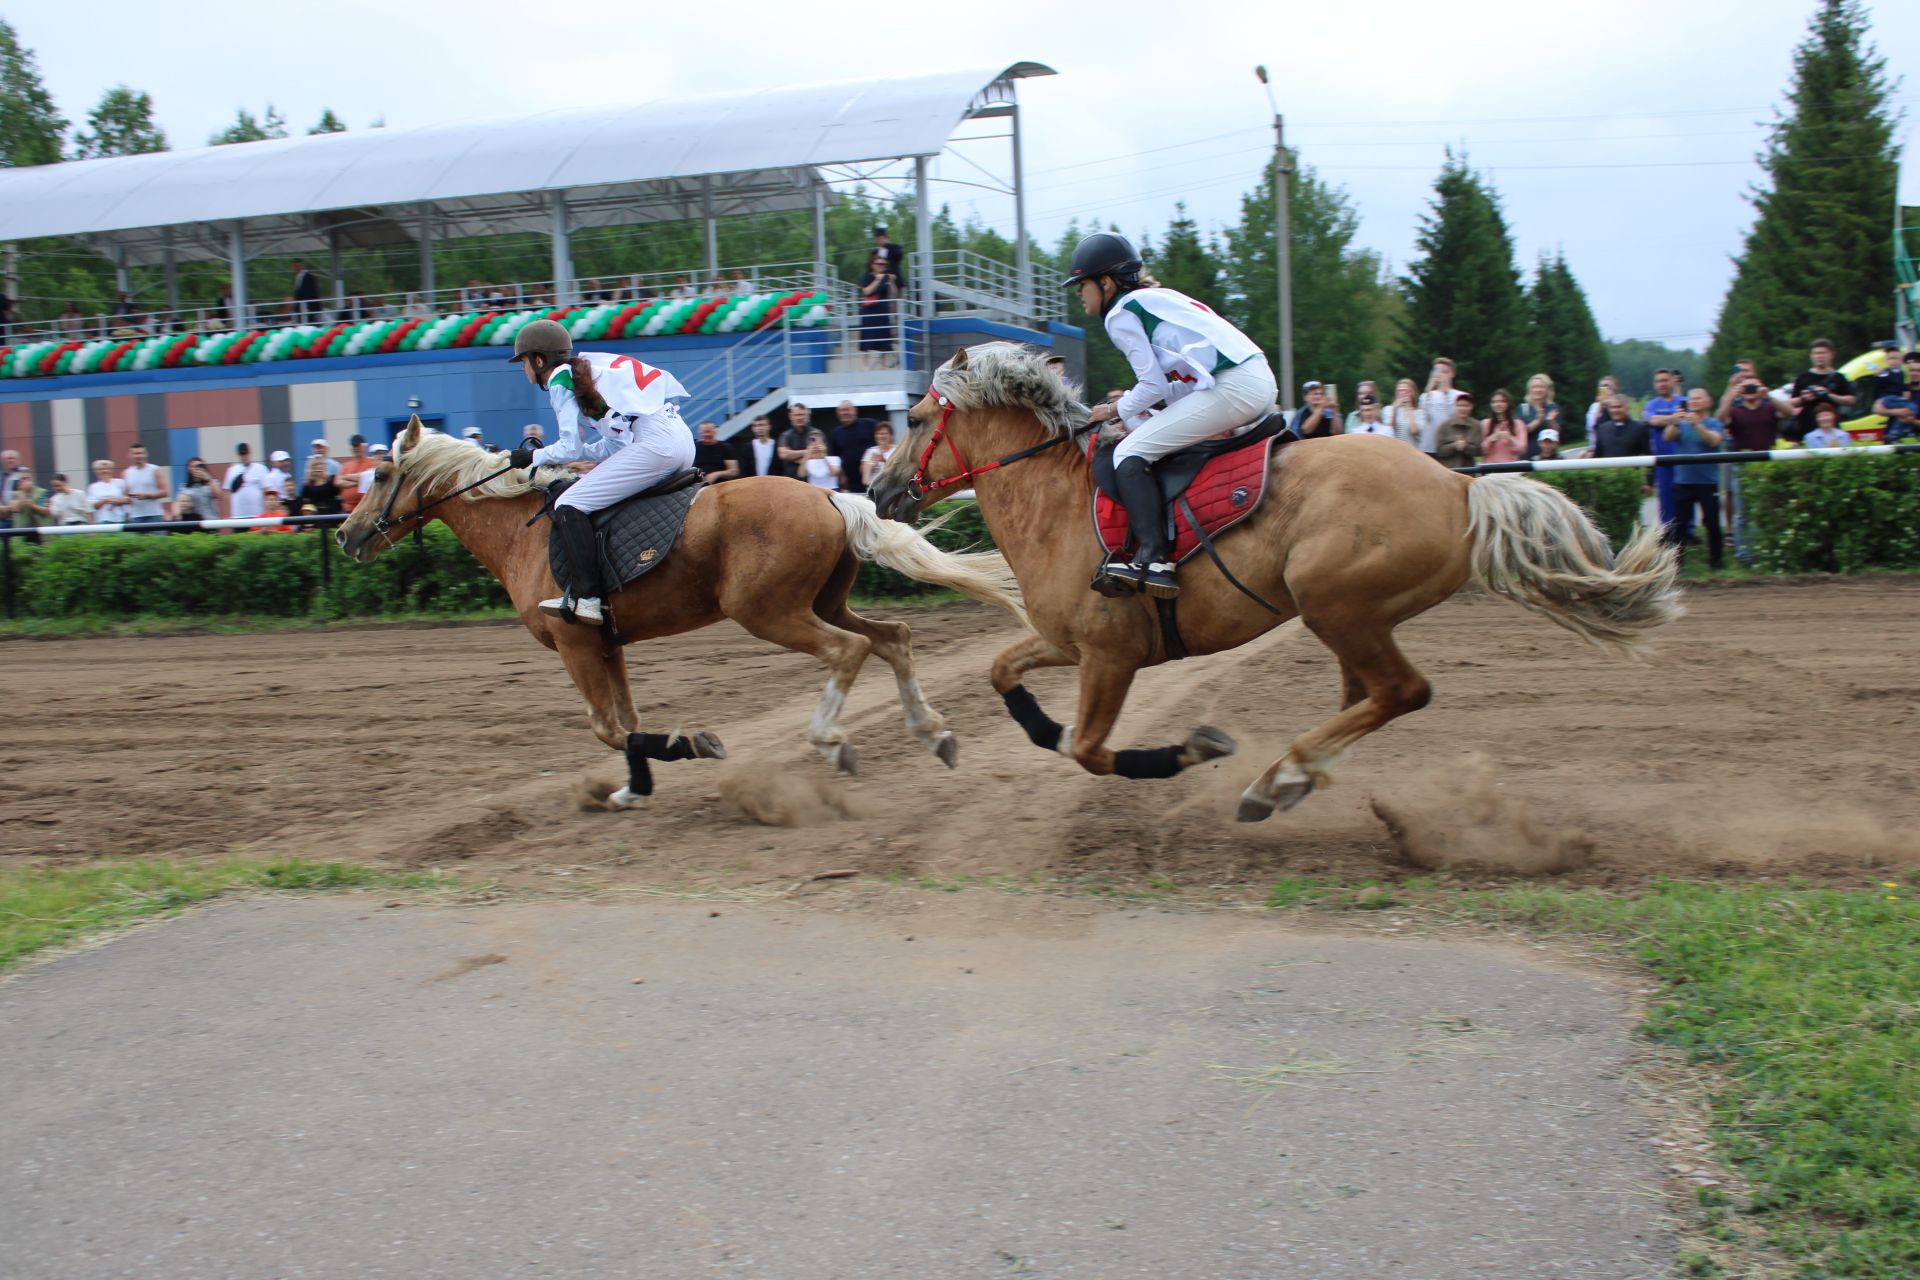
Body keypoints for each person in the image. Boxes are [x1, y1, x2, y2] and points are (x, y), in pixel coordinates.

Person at [1065, 231, 1275, 598]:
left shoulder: (1121, 314)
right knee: (1149, 440)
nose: (1079, 292)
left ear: (1105, 281)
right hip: (1251, 378)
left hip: (1234, 385)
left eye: (1082, 284)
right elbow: (1175, 383)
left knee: (1129, 453)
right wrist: (1134, 410)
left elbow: (1154, 387)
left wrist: (1113, 409)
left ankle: (1155, 558)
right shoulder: (1153, 299)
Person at [505, 318, 696, 626]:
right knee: (588, 490)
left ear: (539, 360)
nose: (522, 369)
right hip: (680, 440)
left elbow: (568, 446)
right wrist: (570, 459)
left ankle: (588, 598)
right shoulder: (586, 372)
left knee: (568, 504)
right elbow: (614, 444)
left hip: (657, 444)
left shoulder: (559, 379)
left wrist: (532, 456)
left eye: (523, 362)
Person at [1664, 388, 1726, 569]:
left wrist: (1697, 425)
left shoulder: (1714, 423)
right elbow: (1667, 437)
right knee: (1680, 526)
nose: (1694, 401)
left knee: (1713, 523)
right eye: (1691, 399)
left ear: (1708, 402)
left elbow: (1714, 441)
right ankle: (1677, 564)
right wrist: (1674, 423)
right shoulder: (1681, 424)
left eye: (1699, 398)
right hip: (1683, 481)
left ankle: (1716, 560)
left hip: (1707, 482)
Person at [1789, 339, 1855, 444]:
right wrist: (1803, 398)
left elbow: (1851, 400)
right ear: (1811, 356)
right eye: (1815, 353)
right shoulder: (1803, 377)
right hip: (1806, 428)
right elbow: (1792, 403)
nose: (1819, 356)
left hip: (1831, 427)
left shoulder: (1839, 378)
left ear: (1831, 354)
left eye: (1823, 353)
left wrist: (1829, 395)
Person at [857, 254, 902, 370]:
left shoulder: (887, 277)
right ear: (873, 265)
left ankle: (883, 362)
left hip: (882, 310)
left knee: (884, 336)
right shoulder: (868, 276)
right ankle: (865, 363)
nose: (882, 266)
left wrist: (891, 282)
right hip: (870, 311)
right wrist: (878, 280)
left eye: (884, 264)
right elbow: (866, 291)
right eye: (879, 264)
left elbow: (894, 294)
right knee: (867, 336)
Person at [1870, 349, 1920, 444]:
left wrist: (1912, 421)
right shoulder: (1898, 390)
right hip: (1892, 442)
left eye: (1918, 371)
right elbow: (1876, 408)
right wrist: (1897, 412)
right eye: (1911, 370)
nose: (1914, 374)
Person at [829, 401, 877, 493]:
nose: (845, 413)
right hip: (850, 482)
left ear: (855, 411)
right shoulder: (836, 433)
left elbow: (883, 440)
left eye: (847, 410)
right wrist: (841, 476)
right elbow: (834, 457)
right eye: (842, 410)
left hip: (873, 476)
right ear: (838, 413)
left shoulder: (870, 424)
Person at [1432, 391, 1482, 472]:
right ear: (1455, 407)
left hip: (1469, 471)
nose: (1463, 409)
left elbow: (1479, 451)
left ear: (1471, 407)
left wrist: (1466, 446)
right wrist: (1454, 445)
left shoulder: (1477, 426)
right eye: (1460, 405)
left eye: (1466, 406)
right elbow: (1439, 451)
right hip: (1449, 471)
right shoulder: (1444, 426)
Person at [1418, 357, 1459, 453]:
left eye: (1444, 371)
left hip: (1449, 447)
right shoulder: (1425, 395)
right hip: (1428, 448)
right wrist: (1429, 389)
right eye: (1437, 371)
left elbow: (1451, 416)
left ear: (1452, 374)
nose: (1439, 374)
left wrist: (1444, 391)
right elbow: (1424, 417)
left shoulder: (1460, 396)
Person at [1515, 374, 1561, 457]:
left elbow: (1557, 432)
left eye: (1541, 387)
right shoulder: (1523, 408)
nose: (1537, 390)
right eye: (1534, 387)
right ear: (1529, 390)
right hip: (1527, 455)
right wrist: (1537, 421)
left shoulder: (1553, 407)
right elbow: (1520, 433)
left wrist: (1551, 421)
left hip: (1549, 456)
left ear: (1547, 389)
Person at [1480, 389, 1529, 464]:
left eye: (1502, 401)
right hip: (1490, 467)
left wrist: (1511, 438)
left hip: (1510, 467)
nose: (1498, 404)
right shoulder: (1485, 423)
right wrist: (1490, 439)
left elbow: (1522, 449)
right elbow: (1481, 450)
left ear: (1508, 403)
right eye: (1494, 402)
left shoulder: (1518, 424)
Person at [225, 443, 271, 519]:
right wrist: (231, 511)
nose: (244, 456)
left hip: (257, 514)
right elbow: (227, 492)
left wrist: (266, 512)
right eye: (241, 454)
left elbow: (267, 490)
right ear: (238, 455)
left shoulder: (261, 468)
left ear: (250, 453)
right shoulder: (231, 470)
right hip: (238, 515)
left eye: (246, 453)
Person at [335, 435, 377, 514]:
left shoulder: (371, 463)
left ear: (363, 447)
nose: (356, 448)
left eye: (358, 445)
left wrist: (346, 477)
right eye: (353, 446)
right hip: (347, 509)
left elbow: (370, 478)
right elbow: (338, 482)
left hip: (365, 508)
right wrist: (360, 481)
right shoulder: (346, 465)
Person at [733, 415, 781, 480]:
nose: (759, 428)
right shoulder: (748, 447)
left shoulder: (777, 446)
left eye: (762, 425)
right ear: (753, 429)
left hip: (773, 484)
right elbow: (744, 471)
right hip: (754, 485)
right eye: (756, 426)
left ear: (769, 427)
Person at [174, 457, 220, 521]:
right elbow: (178, 502)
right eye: (192, 466)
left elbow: (219, 495)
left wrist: (208, 479)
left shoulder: (212, 482)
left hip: (210, 520)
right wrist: (177, 515)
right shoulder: (185, 486)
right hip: (193, 521)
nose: (195, 469)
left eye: (198, 466)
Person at [87, 459, 130, 525]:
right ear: (96, 471)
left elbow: (128, 498)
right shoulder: (93, 487)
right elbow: (93, 506)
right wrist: (105, 500)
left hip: (120, 518)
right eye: (101, 469)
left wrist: (118, 501)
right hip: (103, 520)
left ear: (111, 470)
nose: (104, 471)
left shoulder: (120, 482)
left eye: (107, 469)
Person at [1384, 378, 1423, 448]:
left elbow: (1414, 431)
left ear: (1412, 393)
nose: (1402, 394)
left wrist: (1409, 409)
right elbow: (1389, 431)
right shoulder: (1388, 409)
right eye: (1399, 391)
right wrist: (1394, 409)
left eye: (1406, 391)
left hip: (1412, 450)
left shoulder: (1419, 412)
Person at [777, 402, 813, 474]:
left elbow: (817, 453)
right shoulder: (785, 435)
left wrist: (792, 456)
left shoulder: (814, 434)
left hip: (810, 477)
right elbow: (783, 454)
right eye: (797, 415)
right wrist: (807, 452)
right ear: (791, 416)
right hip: (791, 478)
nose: (799, 418)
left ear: (808, 416)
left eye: (802, 415)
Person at [861, 423, 896, 488]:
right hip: (874, 489)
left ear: (891, 436)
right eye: (878, 434)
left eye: (884, 433)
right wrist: (868, 465)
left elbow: (899, 470)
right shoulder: (870, 451)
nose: (881, 436)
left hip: (892, 487)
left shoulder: (897, 450)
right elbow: (864, 478)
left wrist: (884, 461)